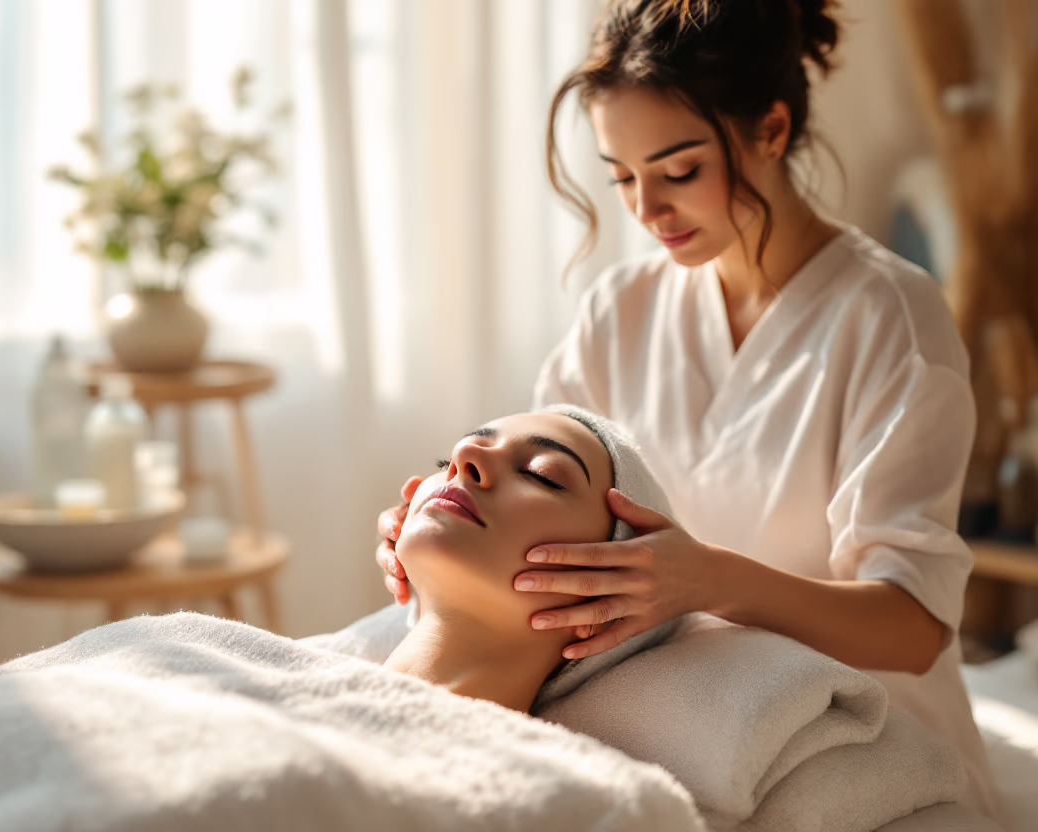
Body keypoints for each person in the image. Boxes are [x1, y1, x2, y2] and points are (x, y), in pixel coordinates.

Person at [376, 0, 997, 817]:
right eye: (622, 177)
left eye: (678, 170)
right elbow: (546, 516)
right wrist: (439, 532)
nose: (647, 211)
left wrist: (707, 581)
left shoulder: (889, 316)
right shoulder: (620, 310)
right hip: (660, 723)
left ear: (770, 131)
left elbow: (913, 629)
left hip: (852, 749)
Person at [386, 406, 676, 713]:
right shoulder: (328, 675)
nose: (464, 455)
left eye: (540, 475)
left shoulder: (538, 762)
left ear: (604, 606)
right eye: (444, 462)